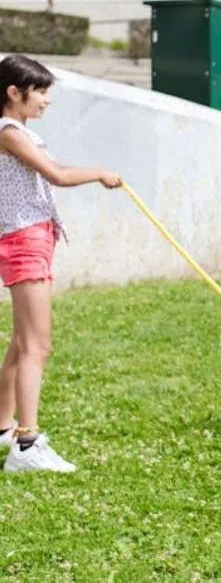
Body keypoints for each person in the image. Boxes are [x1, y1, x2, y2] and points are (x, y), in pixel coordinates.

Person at [0, 54, 122, 472]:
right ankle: (27, 444)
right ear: (14, 92)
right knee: (38, 345)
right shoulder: (8, 131)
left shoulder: (20, 133)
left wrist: (94, 173)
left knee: (22, 342)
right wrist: (100, 172)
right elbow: (57, 176)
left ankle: (3, 427)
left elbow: (52, 170)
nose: (47, 100)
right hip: (23, 239)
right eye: (41, 92)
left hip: (31, 237)